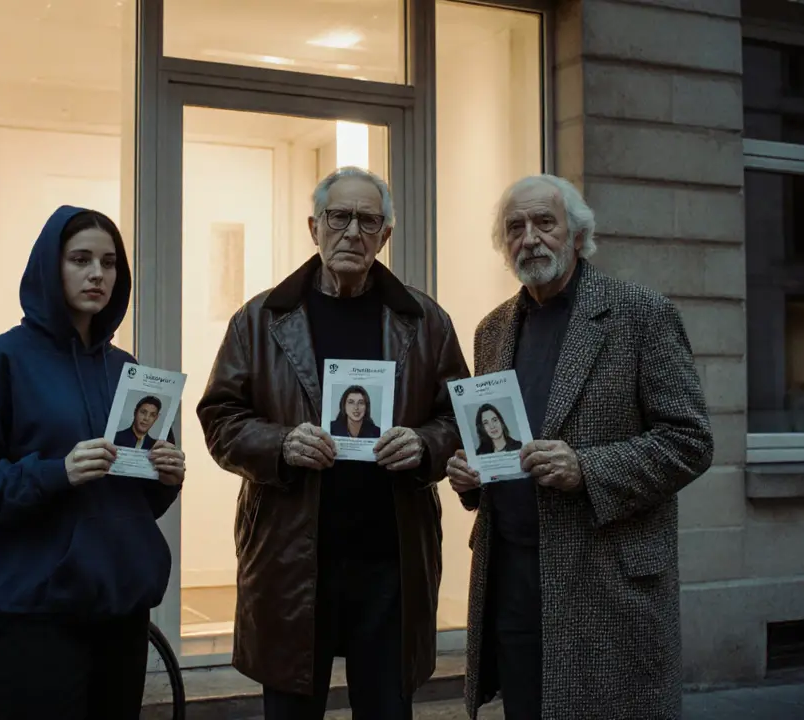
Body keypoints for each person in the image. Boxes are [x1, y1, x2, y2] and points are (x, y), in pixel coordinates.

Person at [197, 166, 470, 719]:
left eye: (368, 220)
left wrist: (423, 446)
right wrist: (279, 444)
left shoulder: (425, 321)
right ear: (313, 227)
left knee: (387, 709)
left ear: (385, 235)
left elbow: (459, 418)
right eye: (338, 217)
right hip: (291, 560)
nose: (352, 232)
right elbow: (219, 418)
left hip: (390, 563)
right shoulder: (261, 319)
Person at [446, 175, 713, 720]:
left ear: (576, 233)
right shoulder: (492, 329)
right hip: (512, 572)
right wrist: (472, 476)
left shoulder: (641, 314)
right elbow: (493, 441)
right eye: (515, 227)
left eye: (545, 223)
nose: (530, 238)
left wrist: (587, 468)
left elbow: (690, 440)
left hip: (605, 576)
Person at [0, 206, 186, 720]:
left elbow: (140, 499)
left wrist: (166, 475)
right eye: (81, 259)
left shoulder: (129, 372)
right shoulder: (2, 361)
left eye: (110, 262)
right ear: (51, 266)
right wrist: (56, 473)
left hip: (121, 606)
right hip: (36, 611)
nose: (98, 274)